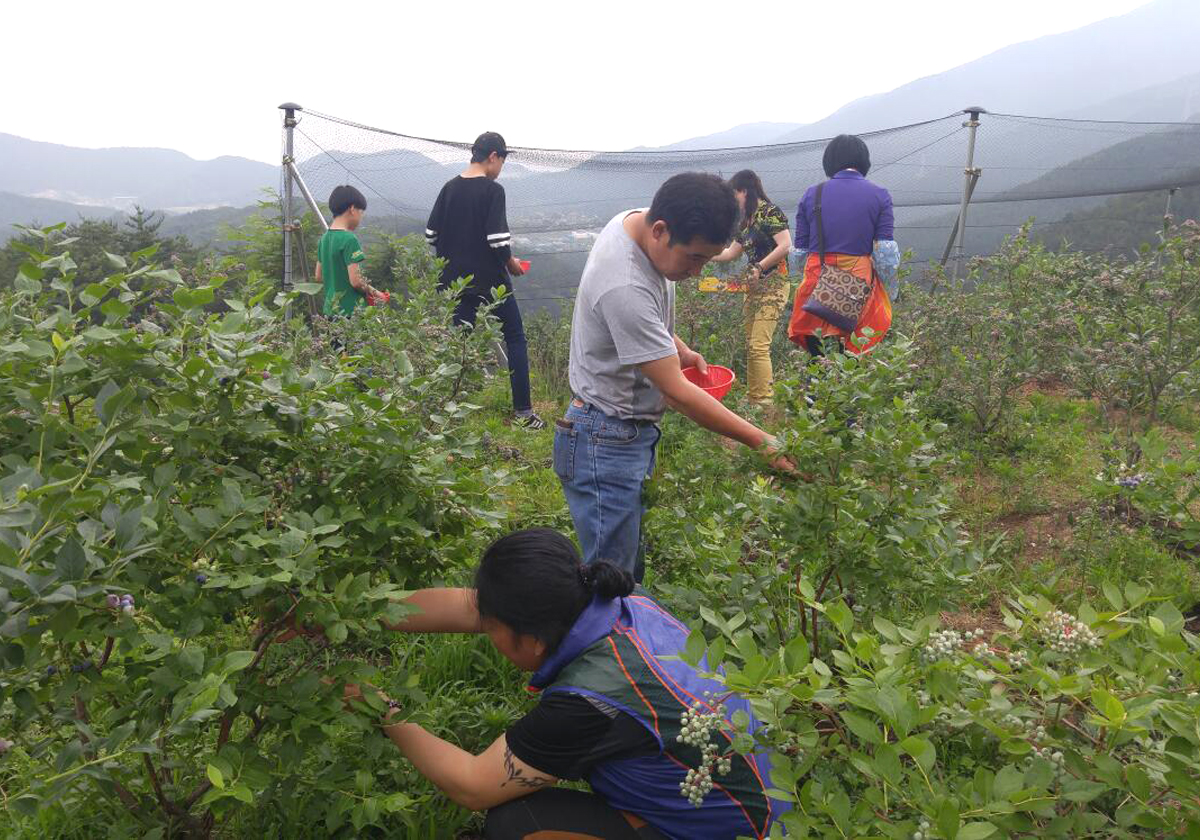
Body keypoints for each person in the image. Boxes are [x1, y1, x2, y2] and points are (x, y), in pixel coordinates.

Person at [344, 528, 789, 840]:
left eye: (491, 625)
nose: (482, 625)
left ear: (532, 640)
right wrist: (340, 611)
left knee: (518, 824)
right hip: (774, 801)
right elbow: (470, 607)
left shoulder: (590, 702)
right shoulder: (620, 601)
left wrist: (381, 711)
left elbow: (473, 786)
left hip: (733, 831)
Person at [556, 173, 792, 582]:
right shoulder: (624, 283)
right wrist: (761, 439)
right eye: (695, 258)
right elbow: (678, 393)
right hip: (604, 439)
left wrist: (676, 347)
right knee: (609, 578)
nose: (697, 271)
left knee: (626, 558)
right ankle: (601, 642)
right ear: (661, 230)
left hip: (620, 432)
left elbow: (645, 313)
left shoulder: (633, 223)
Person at [426, 132, 544, 430]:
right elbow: (497, 241)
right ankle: (523, 414)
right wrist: (512, 264)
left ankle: (449, 417)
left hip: (455, 283)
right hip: (491, 281)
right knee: (515, 337)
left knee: (459, 344)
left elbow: (431, 235)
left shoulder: (449, 188)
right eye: (502, 161)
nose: (501, 168)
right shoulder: (493, 191)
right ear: (493, 156)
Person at [787, 134, 899, 356]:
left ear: (829, 162)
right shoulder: (879, 195)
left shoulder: (812, 194)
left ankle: (815, 390)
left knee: (817, 358)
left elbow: (799, 255)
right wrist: (891, 291)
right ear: (863, 161)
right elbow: (885, 254)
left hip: (817, 286)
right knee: (852, 359)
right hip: (857, 290)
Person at [710, 170, 793, 406]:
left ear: (744, 191)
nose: (733, 199)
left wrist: (759, 266)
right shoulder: (745, 221)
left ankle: (764, 402)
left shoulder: (770, 212)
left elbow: (786, 245)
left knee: (759, 345)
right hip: (753, 287)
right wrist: (703, 252)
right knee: (751, 345)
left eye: (734, 193)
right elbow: (729, 254)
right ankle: (754, 397)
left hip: (775, 284)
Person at [316, 185, 385, 317]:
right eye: (361, 212)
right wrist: (377, 293)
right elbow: (356, 281)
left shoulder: (324, 239)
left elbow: (318, 276)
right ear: (352, 209)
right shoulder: (349, 239)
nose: (361, 217)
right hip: (350, 313)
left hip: (330, 311)